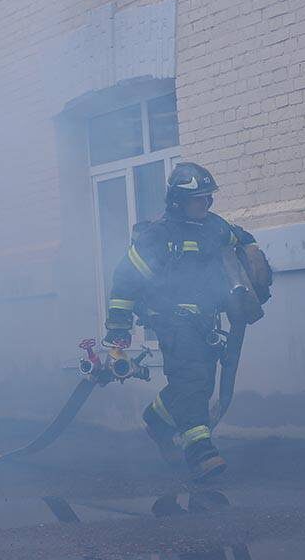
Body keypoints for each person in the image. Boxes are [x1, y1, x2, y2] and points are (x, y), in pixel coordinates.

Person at [103, 162, 255, 482]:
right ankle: (200, 451)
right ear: (177, 201)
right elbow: (125, 281)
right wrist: (118, 329)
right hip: (171, 321)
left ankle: (157, 420)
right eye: (199, 198)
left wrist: (252, 255)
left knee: (200, 381)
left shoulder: (213, 226)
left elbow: (239, 239)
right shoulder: (158, 236)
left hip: (206, 321)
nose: (206, 204)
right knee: (191, 381)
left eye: (208, 198)